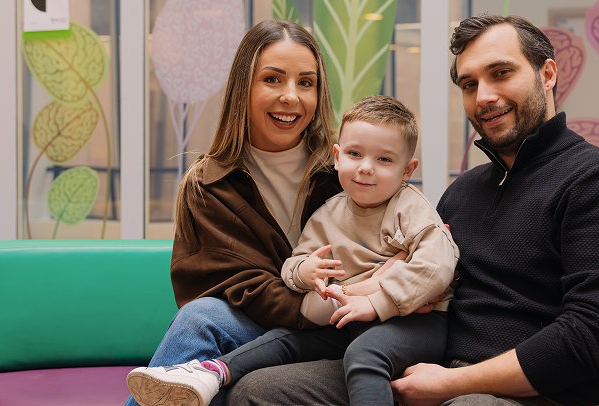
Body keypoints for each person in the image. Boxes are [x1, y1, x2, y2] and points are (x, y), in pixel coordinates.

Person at [226, 14, 599, 406]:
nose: (484, 96)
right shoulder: (467, 190)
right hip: (427, 362)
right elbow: (423, 277)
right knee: (258, 391)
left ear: (547, 74)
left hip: (528, 394)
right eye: (469, 84)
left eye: (501, 73)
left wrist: (450, 384)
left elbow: (593, 339)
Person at [127, 95, 459, 406]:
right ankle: (210, 373)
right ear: (338, 156)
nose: (366, 167)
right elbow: (294, 263)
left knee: (365, 356)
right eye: (355, 155)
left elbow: (438, 264)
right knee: (285, 341)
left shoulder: (409, 207)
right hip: (347, 319)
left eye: (384, 159)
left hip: (415, 324)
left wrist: (378, 300)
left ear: (407, 170)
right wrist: (303, 272)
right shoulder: (329, 212)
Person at [121, 19, 344, 406]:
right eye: (273, 79)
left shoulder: (347, 171)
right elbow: (238, 288)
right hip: (266, 324)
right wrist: (311, 307)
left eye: (305, 83)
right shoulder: (208, 184)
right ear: (244, 87)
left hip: (342, 324)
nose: (291, 96)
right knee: (204, 321)